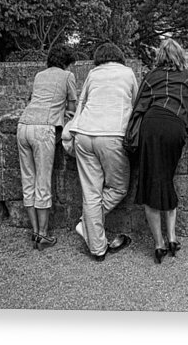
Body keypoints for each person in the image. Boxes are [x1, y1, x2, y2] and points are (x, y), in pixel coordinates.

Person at [129, 38, 188, 264]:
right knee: (166, 179)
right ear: (180, 56)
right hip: (175, 128)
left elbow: (138, 108)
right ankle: (172, 238)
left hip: (151, 127)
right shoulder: (186, 77)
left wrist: (130, 139)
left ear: (160, 57)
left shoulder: (151, 76)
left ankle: (159, 244)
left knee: (149, 183)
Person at [71, 42, 138, 261]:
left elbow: (81, 103)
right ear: (119, 57)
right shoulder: (128, 73)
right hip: (112, 135)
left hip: (83, 133)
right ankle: (87, 225)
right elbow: (136, 106)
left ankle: (98, 248)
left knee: (91, 192)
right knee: (119, 188)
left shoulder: (92, 73)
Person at [17, 44, 77, 250]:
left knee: (28, 180)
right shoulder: (67, 76)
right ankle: (43, 234)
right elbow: (72, 107)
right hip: (43, 129)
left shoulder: (39, 76)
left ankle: (35, 232)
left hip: (23, 125)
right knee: (43, 182)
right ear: (67, 62)